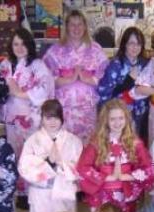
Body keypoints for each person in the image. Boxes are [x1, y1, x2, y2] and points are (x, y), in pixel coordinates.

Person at [0, 28, 55, 208]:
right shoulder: (5, 65)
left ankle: (36, 191)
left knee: (33, 154)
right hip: (12, 119)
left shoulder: (37, 64)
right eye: (15, 44)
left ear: (29, 45)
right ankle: (21, 192)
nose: (20, 47)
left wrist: (20, 93)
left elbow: (45, 88)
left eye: (23, 43)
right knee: (16, 154)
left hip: (31, 117)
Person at [77, 98, 154, 212]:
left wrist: (127, 176)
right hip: (102, 194)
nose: (117, 123)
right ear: (106, 121)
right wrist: (106, 177)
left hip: (126, 194)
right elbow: (82, 168)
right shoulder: (96, 143)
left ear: (126, 119)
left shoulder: (135, 143)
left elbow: (149, 169)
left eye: (121, 118)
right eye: (112, 119)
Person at [18, 99, 82, 212]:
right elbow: (24, 167)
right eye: (48, 117)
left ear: (62, 118)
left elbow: (79, 168)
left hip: (63, 191)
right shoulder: (32, 141)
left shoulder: (74, 141)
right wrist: (48, 162)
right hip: (41, 193)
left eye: (56, 117)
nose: (52, 122)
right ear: (42, 119)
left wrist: (61, 163)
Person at [43, 10, 108, 143]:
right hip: (65, 107)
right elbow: (48, 79)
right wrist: (70, 79)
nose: (76, 28)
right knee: (66, 144)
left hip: (87, 107)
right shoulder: (56, 50)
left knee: (88, 144)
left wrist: (85, 79)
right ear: (66, 27)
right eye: (72, 24)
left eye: (80, 24)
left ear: (85, 26)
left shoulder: (96, 49)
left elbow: (103, 79)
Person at [97, 27, 149, 139]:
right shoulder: (115, 65)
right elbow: (105, 93)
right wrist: (128, 80)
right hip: (118, 116)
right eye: (131, 43)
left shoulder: (145, 64)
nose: (135, 47)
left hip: (140, 113)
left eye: (138, 44)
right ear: (124, 44)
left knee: (136, 146)